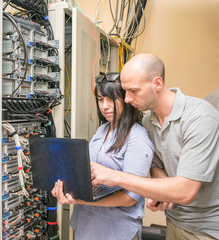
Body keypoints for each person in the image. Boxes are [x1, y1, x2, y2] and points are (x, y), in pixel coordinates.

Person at [90, 53, 219, 239]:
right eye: (125, 91)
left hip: (205, 228)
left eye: (133, 91)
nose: (126, 99)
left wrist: (114, 176)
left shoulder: (200, 118)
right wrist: (162, 186)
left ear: (157, 84)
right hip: (174, 220)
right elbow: (156, 164)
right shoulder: (149, 120)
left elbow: (185, 190)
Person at [51, 73, 154, 240]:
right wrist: (67, 186)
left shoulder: (137, 137)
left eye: (111, 99)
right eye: (100, 99)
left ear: (126, 100)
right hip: (85, 225)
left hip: (116, 231)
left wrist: (83, 201)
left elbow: (130, 198)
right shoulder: (103, 130)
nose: (104, 106)